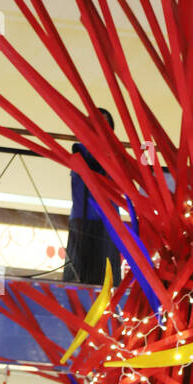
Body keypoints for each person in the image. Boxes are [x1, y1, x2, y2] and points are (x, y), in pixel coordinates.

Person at [63, 107, 122, 286]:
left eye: (104, 124)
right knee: (77, 273)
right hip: (81, 217)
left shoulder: (116, 154)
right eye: (95, 123)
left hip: (107, 219)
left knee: (106, 275)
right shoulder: (78, 149)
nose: (99, 127)